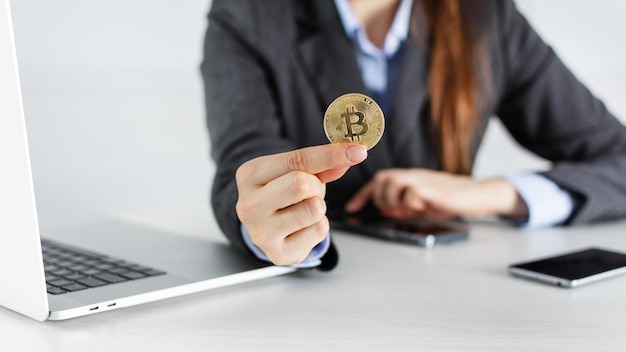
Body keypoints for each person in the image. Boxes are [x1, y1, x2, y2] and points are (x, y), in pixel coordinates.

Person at [201, 0, 626, 271]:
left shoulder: (488, 16)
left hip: (451, 287)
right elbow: (242, 174)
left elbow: (619, 157)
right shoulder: (247, 14)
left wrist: (491, 194)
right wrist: (267, 226)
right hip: (312, 302)